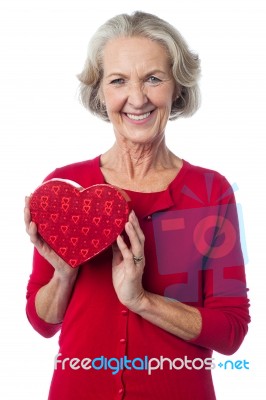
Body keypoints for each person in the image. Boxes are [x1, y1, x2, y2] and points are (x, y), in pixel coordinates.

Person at [24, 11, 250, 400]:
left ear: (177, 87)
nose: (138, 98)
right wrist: (63, 274)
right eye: (118, 81)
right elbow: (43, 323)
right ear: (99, 93)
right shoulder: (67, 190)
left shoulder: (210, 192)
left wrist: (141, 301)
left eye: (153, 78)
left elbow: (230, 331)